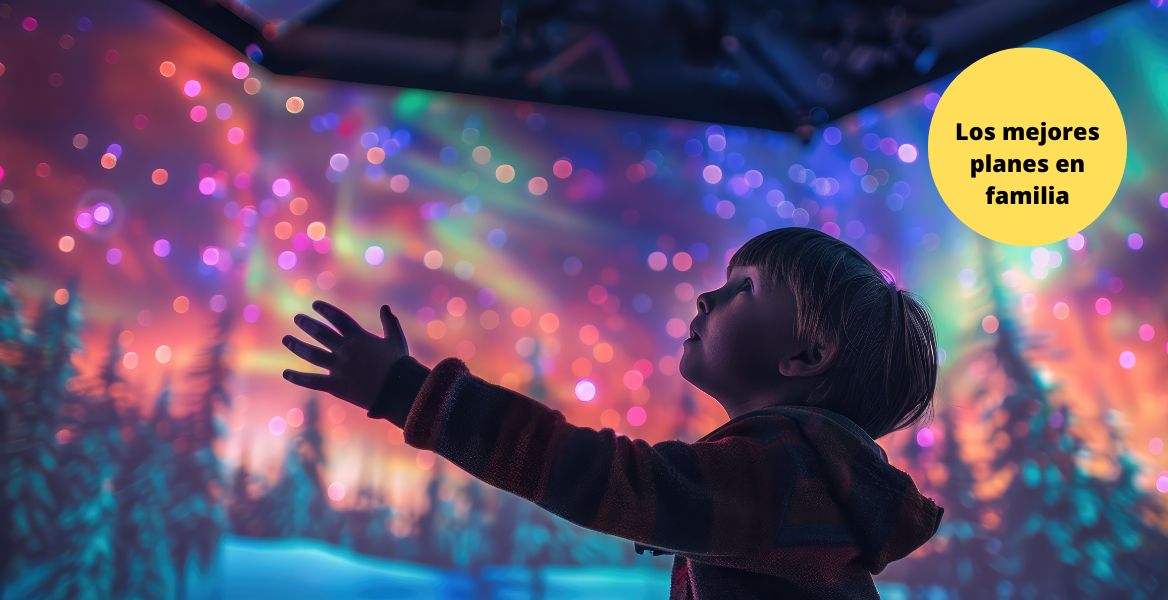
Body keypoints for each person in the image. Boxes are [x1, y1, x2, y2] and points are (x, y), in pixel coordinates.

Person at [281, 226, 945, 599]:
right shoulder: (809, 479)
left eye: (744, 290)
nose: (707, 298)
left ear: (805, 355)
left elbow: (593, 474)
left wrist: (405, 391)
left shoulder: (780, 476)